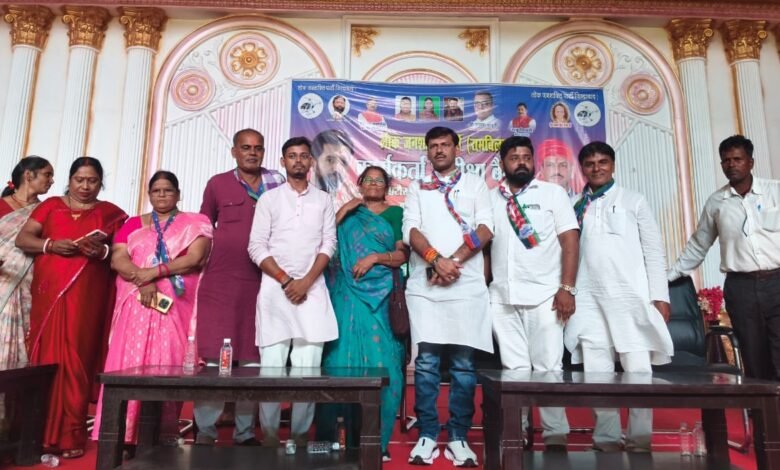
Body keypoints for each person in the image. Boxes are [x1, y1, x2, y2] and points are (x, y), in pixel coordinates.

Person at [564, 142, 673, 453]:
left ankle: (640, 441)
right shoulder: (575, 205)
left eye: (603, 162)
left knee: (638, 369)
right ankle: (607, 440)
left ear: (613, 165)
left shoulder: (633, 200)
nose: (596, 168)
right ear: (582, 168)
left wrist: (659, 296)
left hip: (629, 297)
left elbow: (653, 250)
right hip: (588, 298)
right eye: (590, 163)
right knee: (596, 370)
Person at [91, 171, 213, 448]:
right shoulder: (133, 224)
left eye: (168, 190)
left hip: (175, 305)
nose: (162, 195)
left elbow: (195, 259)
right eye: (156, 190)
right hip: (136, 302)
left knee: (168, 361)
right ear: (149, 194)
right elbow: (118, 259)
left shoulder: (196, 222)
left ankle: (161, 434)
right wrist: (143, 280)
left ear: (178, 194)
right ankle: (122, 433)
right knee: (129, 362)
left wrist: (153, 273)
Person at [17, 157, 127, 459]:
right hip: (48, 297)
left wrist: (102, 251)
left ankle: (70, 435)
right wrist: (50, 245)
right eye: (79, 179)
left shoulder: (111, 213)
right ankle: (37, 434)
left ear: (101, 183)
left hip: (87, 299)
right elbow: (23, 238)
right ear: (70, 179)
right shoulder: (51, 206)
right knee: (45, 360)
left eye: (92, 180)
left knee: (77, 362)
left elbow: (123, 253)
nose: (85, 186)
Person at [403, 126, 493, 466]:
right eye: (433, 146)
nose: (439, 150)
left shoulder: (475, 184)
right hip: (426, 286)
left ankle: (458, 435)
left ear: (457, 149)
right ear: (427, 152)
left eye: (445, 144)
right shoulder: (417, 186)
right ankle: (427, 433)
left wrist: (452, 261)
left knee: (463, 365)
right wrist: (434, 260)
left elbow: (485, 229)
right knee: (426, 363)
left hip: (466, 286)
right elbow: (411, 230)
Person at [195, 128, 285, 446]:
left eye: (258, 148)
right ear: (234, 151)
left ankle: (244, 433)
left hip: (264, 283)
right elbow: (202, 228)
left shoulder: (278, 183)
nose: (252, 153)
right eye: (245, 148)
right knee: (213, 360)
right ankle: (205, 432)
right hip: (221, 284)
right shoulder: (217, 184)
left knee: (251, 360)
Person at [489, 136, 578, 451]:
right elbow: (485, 245)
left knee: (548, 369)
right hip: (502, 297)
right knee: (514, 370)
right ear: (502, 163)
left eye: (526, 157)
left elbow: (570, 240)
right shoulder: (491, 198)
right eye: (514, 158)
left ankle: (555, 438)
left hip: (545, 296)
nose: (521, 163)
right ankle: (517, 435)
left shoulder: (553, 193)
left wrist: (567, 288)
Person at [248, 137, 338, 447]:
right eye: (291, 155)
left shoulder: (324, 200)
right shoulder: (269, 200)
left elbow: (329, 244)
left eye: (303, 155)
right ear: (283, 161)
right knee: (271, 369)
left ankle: (298, 441)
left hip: (312, 293)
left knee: (307, 370)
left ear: (311, 161)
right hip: (275, 294)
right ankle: (270, 441)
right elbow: (256, 247)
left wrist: (306, 281)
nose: (298, 160)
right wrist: (287, 281)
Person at [669, 135, 780, 382]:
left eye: (737, 159)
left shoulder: (775, 191)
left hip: (777, 281)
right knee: (754, 356)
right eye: (726, 160)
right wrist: (669, 275)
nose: (731, 165)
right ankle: (762, 406)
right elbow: (698, 245)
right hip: (742, 288)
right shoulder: (716, 203)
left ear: (750, 162)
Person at [316, 166, 408, 461]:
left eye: (379, 181)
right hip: (346, 293)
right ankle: (333, 439)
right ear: (359, 184)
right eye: (368, 180)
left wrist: (375, 257)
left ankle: (376, 442)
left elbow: (402, 255)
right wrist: (343, 210)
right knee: (339, 360)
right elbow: (324, 242)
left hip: (381, 296)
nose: (374, 184)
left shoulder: (395, 214)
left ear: (387, 187)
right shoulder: (349, 213)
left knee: (384, 364)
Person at [0, 156, 53, 438]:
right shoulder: (1, 206)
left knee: (17, 353)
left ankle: (9, 431)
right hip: (2, 284)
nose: (51, 181)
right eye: (47, 174)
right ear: (28, 175)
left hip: (26, 292)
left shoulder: (46, 211)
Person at [311, 129, 360, 210]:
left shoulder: (354, 203)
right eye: (330, 160)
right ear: (313, 162)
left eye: (343, 162)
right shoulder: (298, 199)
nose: (337, 167)